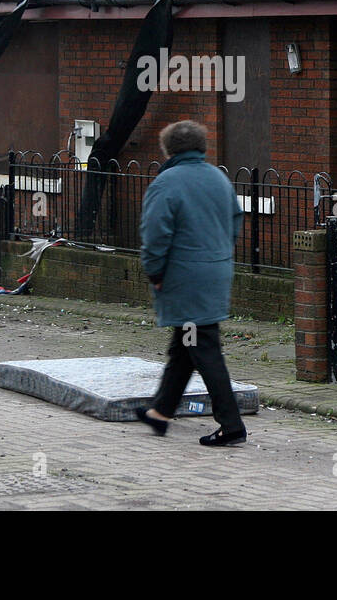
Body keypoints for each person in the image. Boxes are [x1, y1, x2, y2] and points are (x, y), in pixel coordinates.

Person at [134, 120, 247, 446]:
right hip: (216, 271)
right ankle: (160, 412)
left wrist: (155, 273)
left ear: (168, 149)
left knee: (204, 347)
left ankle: (231, 424)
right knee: (186, 343)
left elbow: (155, 236)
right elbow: (234, 222)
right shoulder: (218, 178)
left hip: (183, 278)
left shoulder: (166, 183)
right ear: (201, 146)